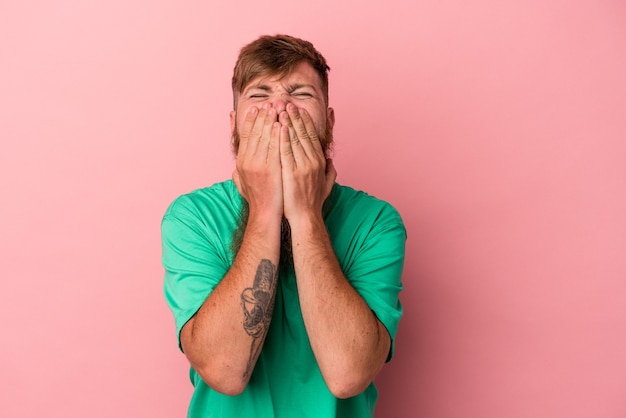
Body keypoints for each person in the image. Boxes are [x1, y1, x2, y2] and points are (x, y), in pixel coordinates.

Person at [162, 34, 406, 418]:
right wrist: (264, 210)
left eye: (300, 93)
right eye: (259, 95)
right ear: (234, 124)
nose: (279, 107)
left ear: (328, 122)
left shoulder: (376, 222)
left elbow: (348, 375)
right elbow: (225, 373)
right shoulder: (192, 217)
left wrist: (305, 212)